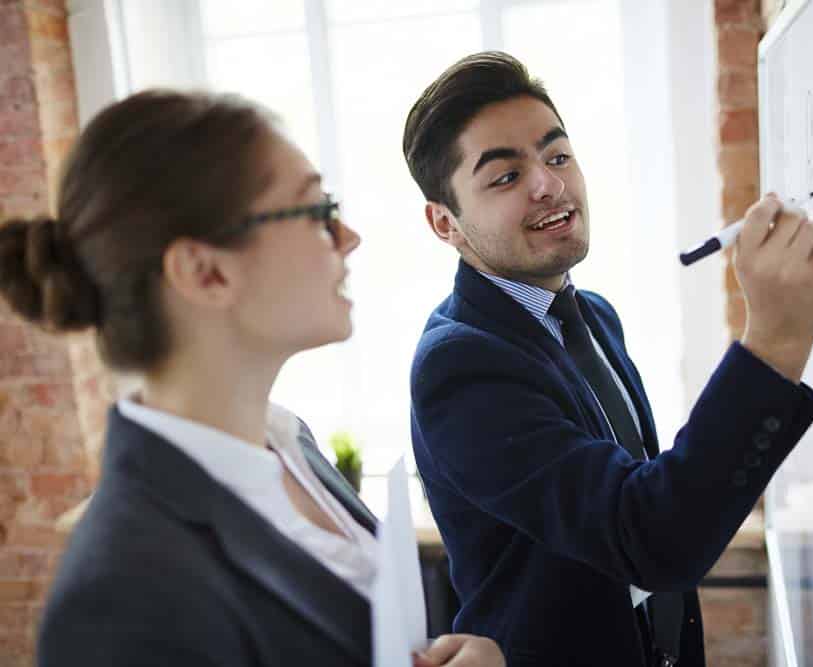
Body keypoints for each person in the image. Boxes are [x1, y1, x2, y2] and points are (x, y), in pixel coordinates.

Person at [0, 89, 502, 667]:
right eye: (316, 212)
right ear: (204, 271)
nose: (349, 238)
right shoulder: (120, 594)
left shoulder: (291, 443)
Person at [404, 52, 813, 666]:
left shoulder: (593, 315)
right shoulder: (459, 366)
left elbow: (642, 499)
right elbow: (649, 534)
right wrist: (774, 340)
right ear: (445, 223)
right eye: (504, 177)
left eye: (557, 156)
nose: (548, 184)